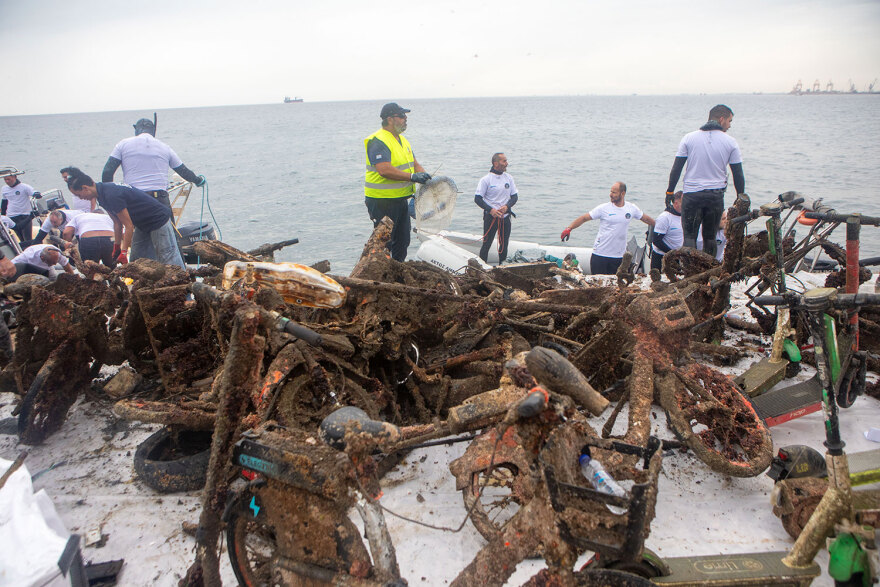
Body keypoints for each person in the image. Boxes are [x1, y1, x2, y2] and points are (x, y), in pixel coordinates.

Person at [65, 167, 186, 270]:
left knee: (166, 255)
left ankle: (183, 286)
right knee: (137, 258)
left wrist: (123, 252)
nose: (80, 198)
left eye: (79, 195)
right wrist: (117, 247)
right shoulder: (101, 196)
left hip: (157, 219)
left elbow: (128, 226)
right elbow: (117, 223)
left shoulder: (111, 194)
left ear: (85, 188)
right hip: (142, 223)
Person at [666, 104, 744, 259]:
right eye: (729, 121)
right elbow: (738, 174)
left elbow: (676, 168)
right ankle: (708, 270)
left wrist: (670, 191)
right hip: (715, 196)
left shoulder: (689, 138)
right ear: (721, 119)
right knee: (710, 238)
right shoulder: (730, 142)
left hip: (692, 195)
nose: (729, 125)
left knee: (689, 237)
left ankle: (689, 270)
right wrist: (740, 197)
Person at [364, 102, 430, 262]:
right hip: (382, 201)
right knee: (384, 243)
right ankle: (380, 272)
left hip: (400, 200)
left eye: (405, 116)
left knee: (403, 241)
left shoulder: (403, 141)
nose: (405, 118)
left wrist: (425, 177)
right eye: (401, 116)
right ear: (389, 119)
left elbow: (415, 164)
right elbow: (384, 169)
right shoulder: (378, 141)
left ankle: (398, 270)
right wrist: (412, 177)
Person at [101, 117, 205, 211]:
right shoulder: (165, 147)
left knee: (133, 226)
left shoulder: (122, 145)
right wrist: (198, 180)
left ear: (136, 129)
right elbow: (183, 171)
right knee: (168, 226)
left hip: (133, 198)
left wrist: (109, 197)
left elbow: (107, 172)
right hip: (159, 199)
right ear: (153, 130)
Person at [560, 182, 655, 275]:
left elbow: (646, 219)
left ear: (622, 193)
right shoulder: (603, 208)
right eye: (610, 191)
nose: (610, 194)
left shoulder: (631, 208)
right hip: (600, 255)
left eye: (614, 192)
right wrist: (569, 228)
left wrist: (659, 227)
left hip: (619, 256)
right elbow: (584, 218)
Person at [475, 153, 518, 263]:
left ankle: (501, 267)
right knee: (487, 244)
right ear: (496, 163)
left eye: (506, 161)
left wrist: (507, 206)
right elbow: (477, 199)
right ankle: (482, 267)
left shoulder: (509, 178)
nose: (507, 163)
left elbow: (514, 197)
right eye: (504, 161)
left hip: (505, 217)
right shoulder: (486, 179)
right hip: (491, 217)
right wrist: (491, 210)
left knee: (504, 244)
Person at [650, 191, 683, 271]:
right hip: (661, 257)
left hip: (677, 257)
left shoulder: (685, 217)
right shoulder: (665, 217)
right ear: (676, 203)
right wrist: (672, 253)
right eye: (684, 203)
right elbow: (656, 241)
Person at [1, 169, 36, 243]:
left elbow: (33, 192)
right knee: (20, 238)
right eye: (5, 180)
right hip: (12, 216)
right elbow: (4, 203)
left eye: (8, 179)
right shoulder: (4, 188)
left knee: (27, 238)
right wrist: (3, 215)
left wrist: (37, 194)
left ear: (15, 177)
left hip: (24, 215)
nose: (7, 181)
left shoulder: (24, 187)